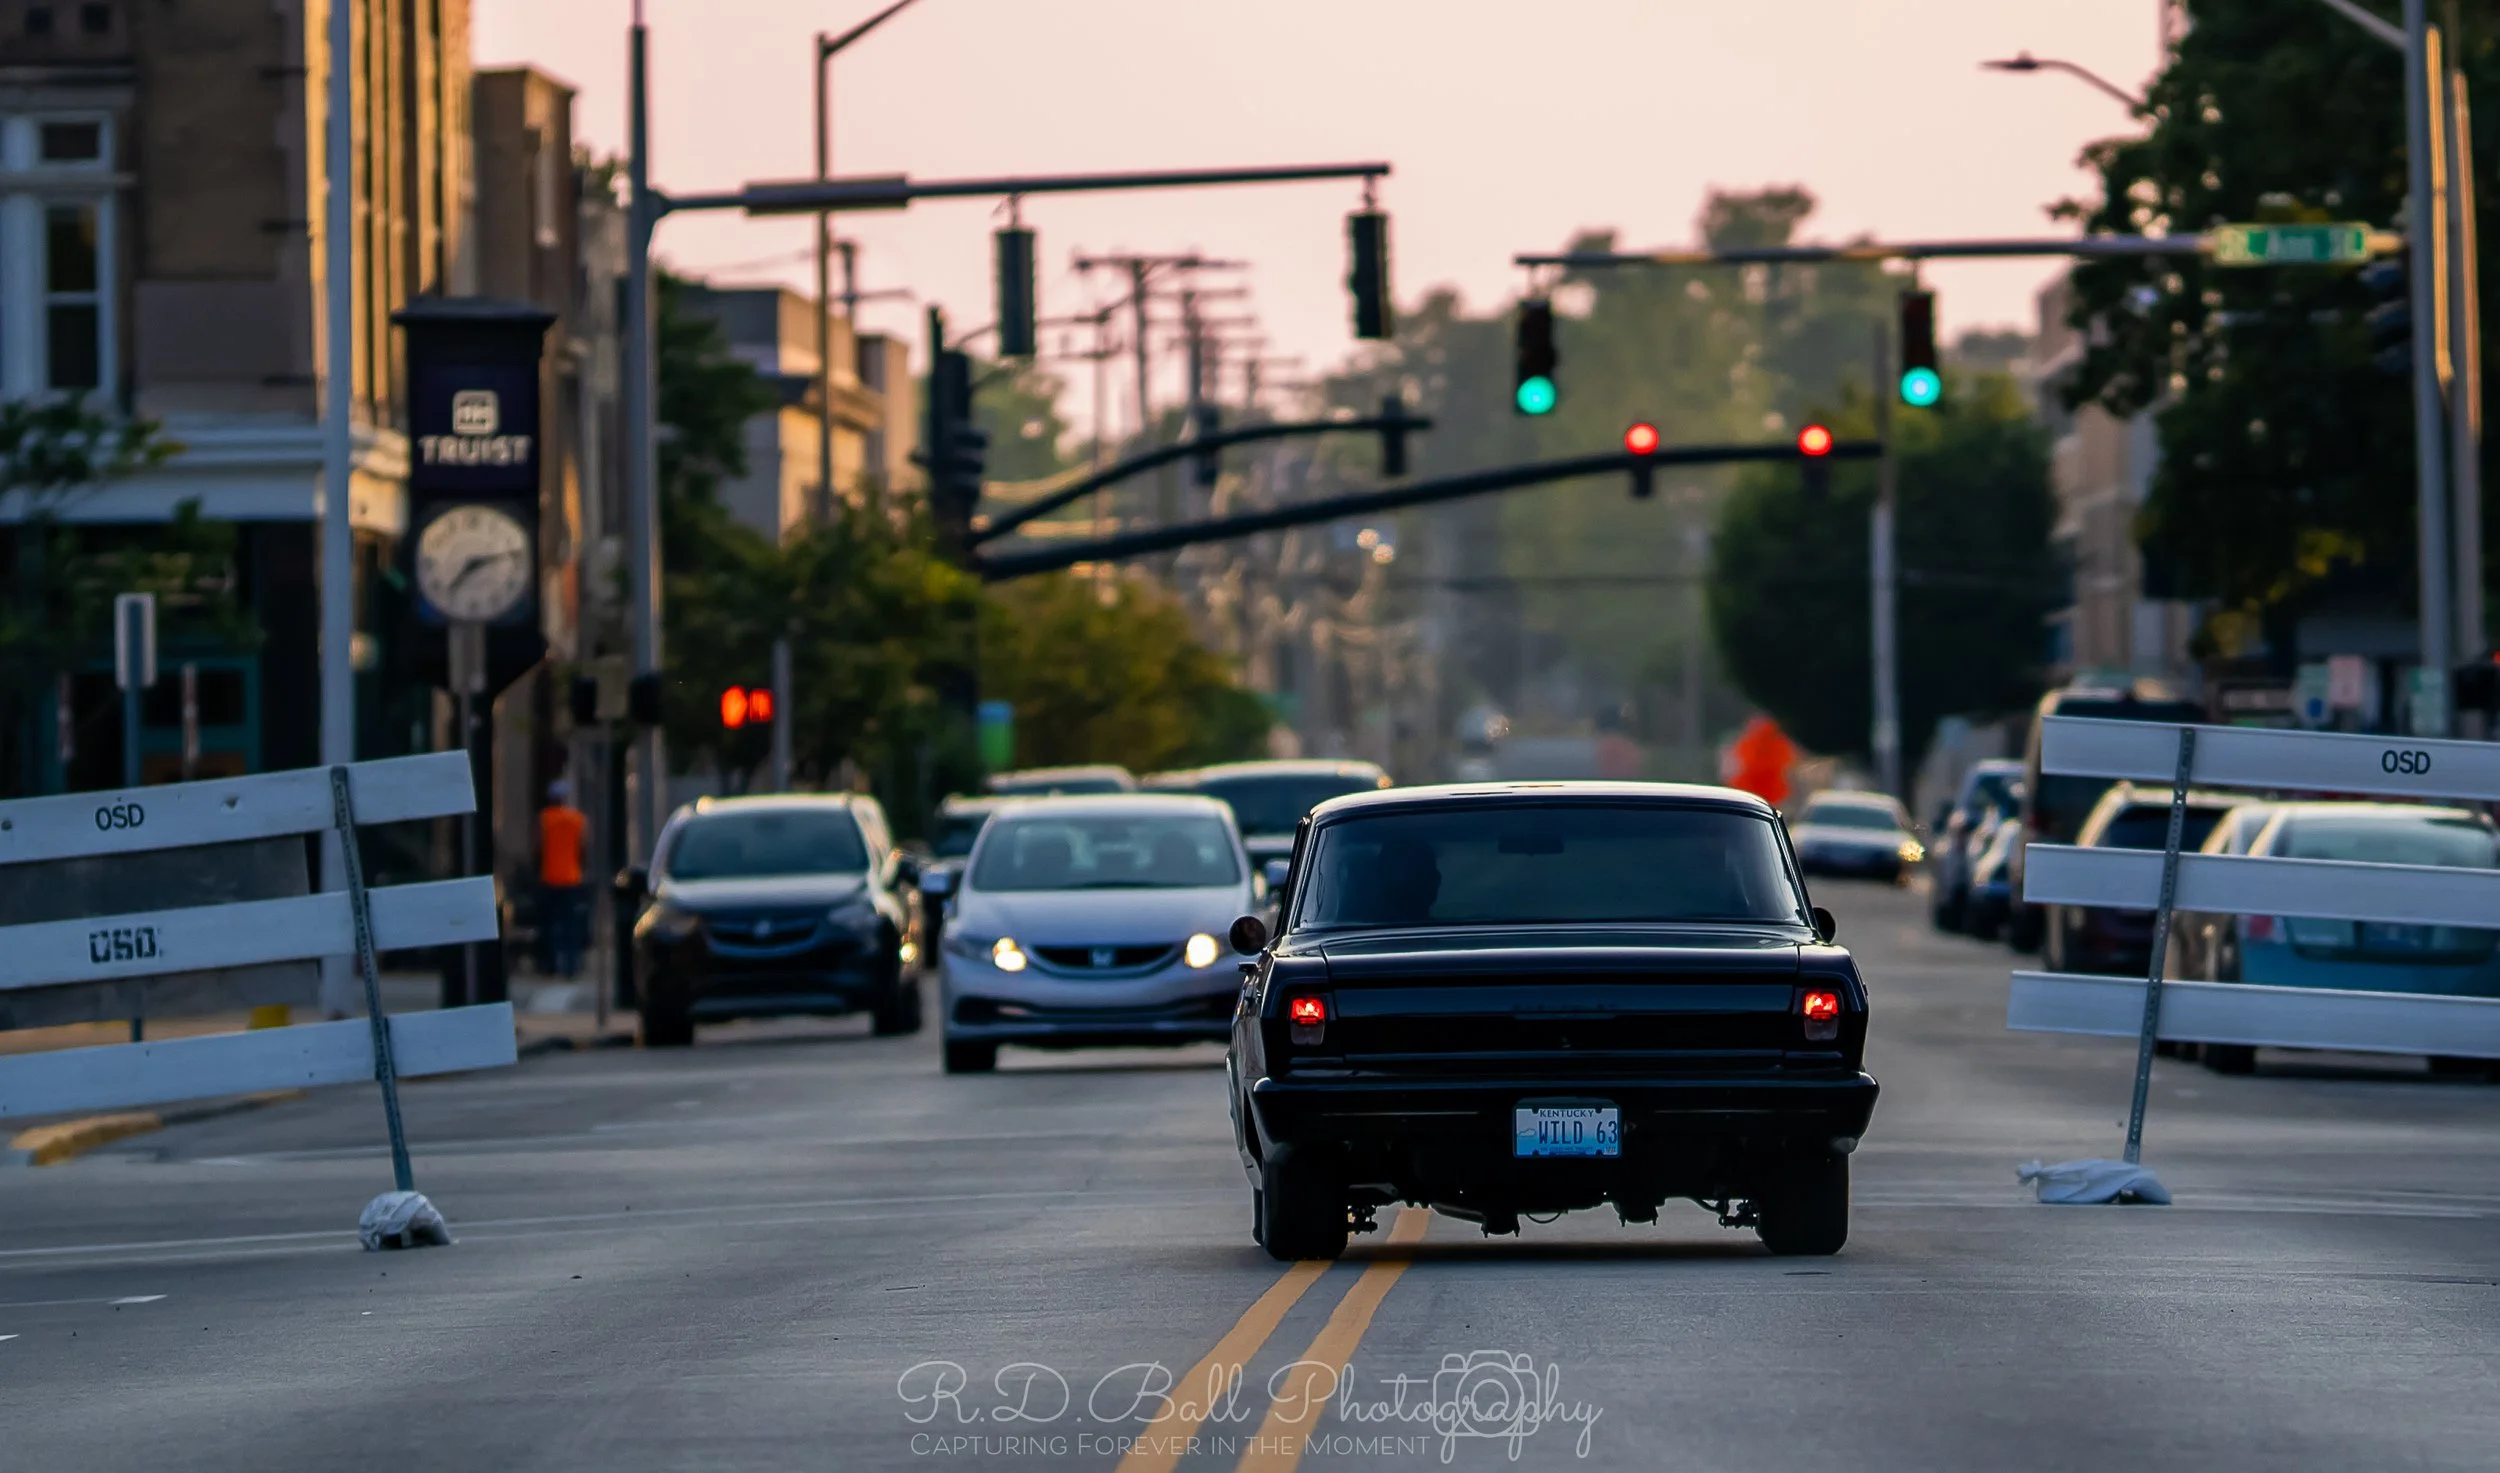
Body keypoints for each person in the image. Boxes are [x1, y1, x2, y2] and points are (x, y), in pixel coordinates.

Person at [537, 780, 589, 979]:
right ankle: (571, 967)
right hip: (571, 878)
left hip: (549, 877)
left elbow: (538, 847)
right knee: (570, 925)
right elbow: (583, 847)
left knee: (549, 925)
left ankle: (549, 966)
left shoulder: (545, 819)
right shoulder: (577, 819)